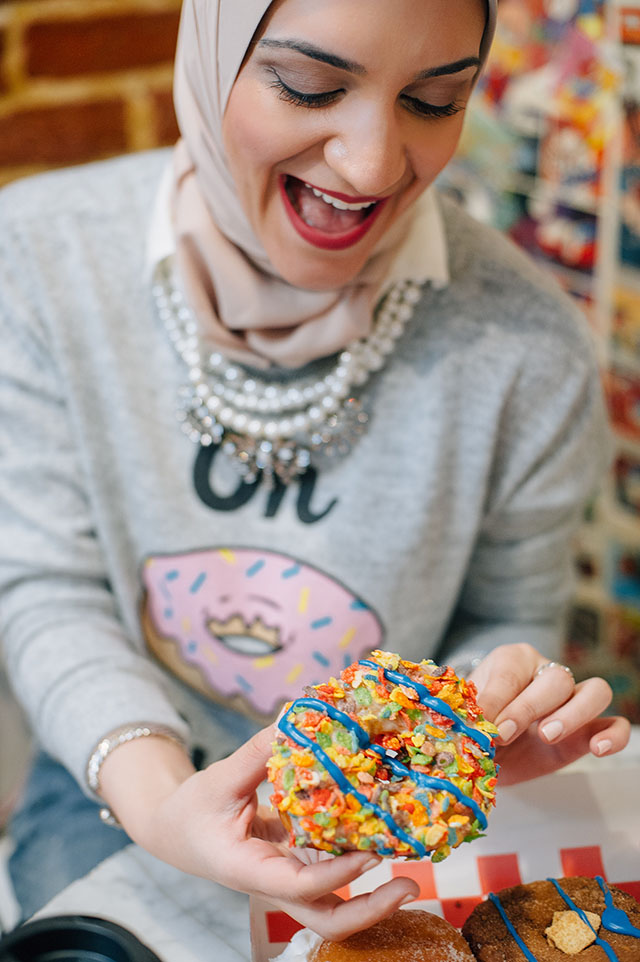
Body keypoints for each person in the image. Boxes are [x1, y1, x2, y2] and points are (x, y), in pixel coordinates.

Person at [0, 0, 630, 941]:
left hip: (385, 815)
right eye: (309, 86)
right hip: (124, 768)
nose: (373, 165)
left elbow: (506, 613)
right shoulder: (37, 256)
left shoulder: (527, 342)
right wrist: (162, 797)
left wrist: (471, 735)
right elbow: (44, 585)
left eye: (435, 99)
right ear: (210, 55)